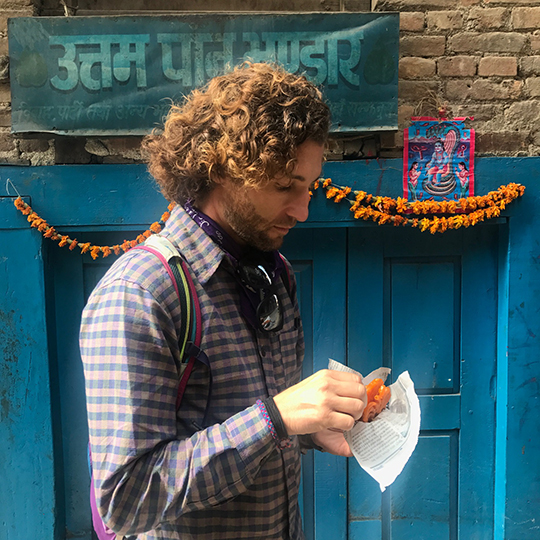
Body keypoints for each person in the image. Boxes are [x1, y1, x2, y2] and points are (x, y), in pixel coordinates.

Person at [80, 62, 367, 540]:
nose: (303, 210)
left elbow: (262, 420)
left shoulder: (274, 275)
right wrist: (274, 419)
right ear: (221, 169)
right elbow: (125, 501)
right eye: (284, 187)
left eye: (310, 187)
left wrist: (308, 426)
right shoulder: (141, 294)